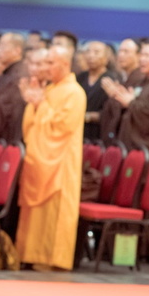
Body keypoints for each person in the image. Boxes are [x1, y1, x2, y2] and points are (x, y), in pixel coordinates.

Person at [103, 39, 149, 260]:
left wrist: (132, 103)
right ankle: (120, 254)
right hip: (136, 152)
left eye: (148, 56)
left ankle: (143, 252)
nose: (142, 60)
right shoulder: (147, 82)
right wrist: (124, 100)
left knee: (146, 202)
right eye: (142, 55)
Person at [17, 46, 86, 271]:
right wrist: (33, 104)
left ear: (65, 64)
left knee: (54, 212)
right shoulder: (50, 89)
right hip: (39, 158)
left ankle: (52, 259)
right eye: (44, 63)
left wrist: (40, 105)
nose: (45, 68)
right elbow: (32, 127)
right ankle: (29, 253)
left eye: (50, 63)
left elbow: (62, 127)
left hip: (60, 163)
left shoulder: (74, 93)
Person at [99, 38, 143, 145]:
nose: (121, 55)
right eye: (120, 51)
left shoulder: (141, 79)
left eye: (126, 52)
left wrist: (115, 96)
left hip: (131, 140)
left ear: (138, 55)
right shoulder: (124, 78)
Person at [77, 41, 116, 142]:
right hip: (78, 130)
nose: (91, 56)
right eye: (88, 52)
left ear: (107, 58)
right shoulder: (80, 77)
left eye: (96, 52)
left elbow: (113, 111)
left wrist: (90, 116)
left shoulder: (112, 79)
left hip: (99, 133)